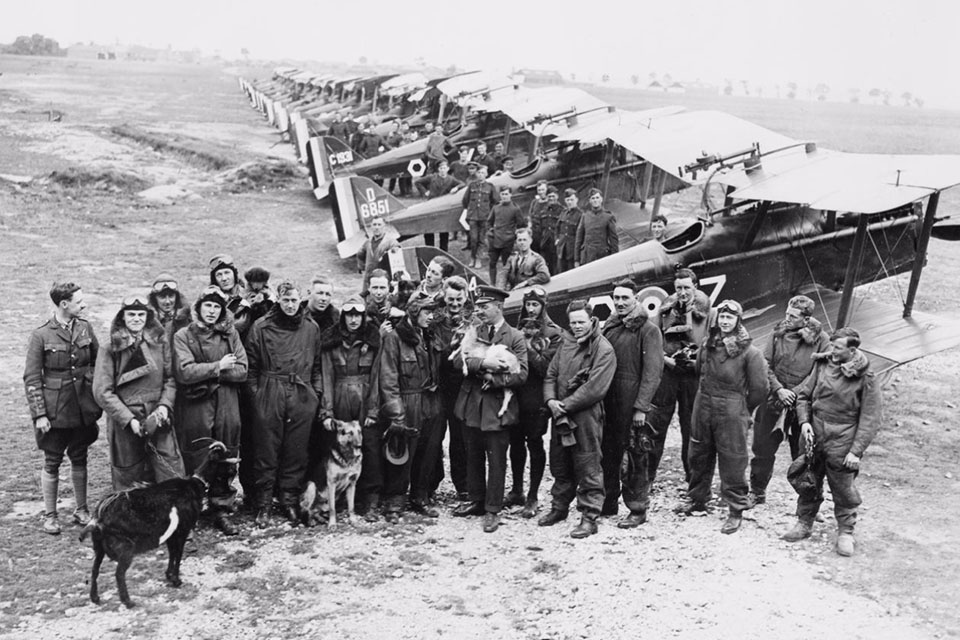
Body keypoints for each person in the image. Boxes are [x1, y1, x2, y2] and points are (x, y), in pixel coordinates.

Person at [783, 327, 882, 557]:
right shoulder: (822, 365)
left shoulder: (865, 377)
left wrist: (855, 451)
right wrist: (804, 422)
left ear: (852, 349)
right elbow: (805, 396)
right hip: (814, 434)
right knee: (808, 479)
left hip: (843, 439)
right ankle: (804, 522)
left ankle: (846, 532)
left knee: (843, 488)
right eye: (832, 346)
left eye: (838, 348)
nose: (832, 351)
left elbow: (871, 418)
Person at [679, 299, 768, 535]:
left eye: (730, 317)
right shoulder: (708, 344)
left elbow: (760, 389)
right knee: (698, 452)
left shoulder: (750, 353)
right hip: (704, 403)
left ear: (738, 321)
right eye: (722, 317)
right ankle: (697, 499)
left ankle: (736, 509)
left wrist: (741, 409)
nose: (725, 321)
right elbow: (699, 370)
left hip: (732, 408)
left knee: (733, 459)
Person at [24, 282, 102, 534]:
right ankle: (50, 515)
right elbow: (32, 378)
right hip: (55, 410)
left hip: (82, 408)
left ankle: (81, 509)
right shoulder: (41, 335)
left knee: (80, 457)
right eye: (79, 301)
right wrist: (39, 415)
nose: (84, 304)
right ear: (64, 304)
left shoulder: (85, 328)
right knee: (52, 460)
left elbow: (99, 362)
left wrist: (91, 387)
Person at [245, 280, 324, 528]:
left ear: (300, 299)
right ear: (278, 300)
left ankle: (289, 500)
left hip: (301, 392)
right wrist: (258, 397)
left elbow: (318, 366)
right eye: (285, 300)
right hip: (271, 390)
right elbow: (251, 368)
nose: (290, 305)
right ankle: (264, 504)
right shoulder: (262, 326)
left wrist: (315, 394)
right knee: (266, 450)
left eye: (294, 300)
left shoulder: (311, 328)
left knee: (296, 450)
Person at [172, 286, 248, 536]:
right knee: (197, 453)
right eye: (208, 305)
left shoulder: (230, 334)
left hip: (227, 402)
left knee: (226, 454)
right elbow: (184, 372)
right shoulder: (184, 335)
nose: (212, 311)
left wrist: (208, 374)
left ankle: (221, 508)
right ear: (198, 307)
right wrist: (218, 366)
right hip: (197, 404)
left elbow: (242, 371)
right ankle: (191, 511)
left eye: (217, 307)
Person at [452, 285, 528, 533]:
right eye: (478, 308)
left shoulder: (514, 336)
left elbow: (522, 374)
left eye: (484, 307)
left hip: (497, 408)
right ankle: (476, 500)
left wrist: (494, 379)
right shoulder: (473, 331)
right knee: (473, 454)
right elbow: (456, 360)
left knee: (496, 460)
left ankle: (493, 509)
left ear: (499, 307)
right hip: (472, 405)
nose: (480, 312)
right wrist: (484, 362)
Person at [540, 300, 617, 539]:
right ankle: (559, 508)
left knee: (588, 463)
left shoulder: (603, 349)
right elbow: (551, 375)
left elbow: (595, 389)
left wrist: (564, 406)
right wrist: (551, 401)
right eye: (573, 323)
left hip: (585, 416)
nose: (577, 327)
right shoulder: (566, 344)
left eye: (581, 322)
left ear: (591, 320)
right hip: (560, 413)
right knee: (560, 461)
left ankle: (589, 516)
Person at [93, 294, 183, 491]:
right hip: (125, 419)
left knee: (170, 471)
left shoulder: (160, 343)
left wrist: (164, 407)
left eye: (141, 314)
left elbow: (170, 379)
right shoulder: (110, 348)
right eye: (131, 314)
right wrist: (129, 420)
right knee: (128, 476)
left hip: (157, 416)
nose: (136, 319)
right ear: (122, 317)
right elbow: (102, 392)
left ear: (148, 317)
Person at [748, 296, 831, 507]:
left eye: (792, 316)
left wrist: (794, 393)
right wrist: (779, 390)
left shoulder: (822, 340)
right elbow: (764, 363)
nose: (787, 319)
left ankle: (808, 503)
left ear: (806, 319)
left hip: (803, 405)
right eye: (786, 313)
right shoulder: (778, 333)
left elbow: (819, 372)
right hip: (774, 399)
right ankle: (757, 492)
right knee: (762, 448)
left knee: (804, 454)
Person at [600, 279, 664, 525]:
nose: (620, 303)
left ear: (636, 299)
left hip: (632, 404)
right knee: (609, 452)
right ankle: (608, 502)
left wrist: (641, 408)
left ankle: (637, 509)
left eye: (625, 298)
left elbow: (653, 373)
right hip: (609, 402)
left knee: (636, 455)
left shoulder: (648, 330)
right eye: (616, 298)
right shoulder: (611, 326)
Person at [378, 296, 444, 522]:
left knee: (428, 452)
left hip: (431, 401)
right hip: (408, 401)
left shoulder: (431, 336)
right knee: (401, 453)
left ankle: (420, 497)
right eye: (427, 312)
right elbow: (388, 379)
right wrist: (397, 413)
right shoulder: (395, 338)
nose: (431, 316)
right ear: (414, 313)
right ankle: (394, 503)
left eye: (432, 312)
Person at [319, 295, 381, 517]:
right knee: (338, 445)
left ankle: (370, 500)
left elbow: (376, 377)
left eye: (358, 315)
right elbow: (326, 376)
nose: (353, 320)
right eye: (349, 315)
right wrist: (327, 412)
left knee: (370, 446)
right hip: (339, 395)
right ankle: (337, 500)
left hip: (364, 397)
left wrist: (373, 409)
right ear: (343, 316)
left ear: (363, 317)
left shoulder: (373, 340)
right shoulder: (331, 341)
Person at [647, 268, 711, 483]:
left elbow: (712, 345)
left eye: (687, 288)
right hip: (668, 373)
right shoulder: (665, 310)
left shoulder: (709, 313)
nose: (682, 293)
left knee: (691, 427)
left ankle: (692, 479)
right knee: (656, 424)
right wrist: (667, 360)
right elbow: (652, 342)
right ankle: (647, 477)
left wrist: (696, 360)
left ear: (695, 287)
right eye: (678, 288)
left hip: (693, 374)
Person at [507, 287, 561, 518]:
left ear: (543, 306)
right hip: (517, 394)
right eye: (528, 304)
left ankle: (533, 496)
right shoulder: (516, 328)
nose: (531, 309)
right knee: (515, 443)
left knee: (535, 443)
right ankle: (517, 489)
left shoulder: (554, 333)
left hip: (536, 396)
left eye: (535, 305)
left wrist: (525, 346)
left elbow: (546, 368)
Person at [432, 276, 472, 500]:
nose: (454, 304)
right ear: (443, 298)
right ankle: (431, 483)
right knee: (435, 436)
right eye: (451, 299)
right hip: (439, 385)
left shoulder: (472, 323)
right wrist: (453, 347)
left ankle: (463, 485)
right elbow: (437, 354)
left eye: (459, 299)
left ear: (465, 298)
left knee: (460, 438)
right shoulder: (437, 323)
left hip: (462, 388)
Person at [460, 163, 499, 269]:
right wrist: (470, 210)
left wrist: (489, 212)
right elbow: (465, 200)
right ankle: (472, 257)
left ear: (486, 175)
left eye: (483, 173)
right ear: (476, 174)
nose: (481, 175)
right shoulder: (472, 186)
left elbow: (495, 201)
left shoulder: (490, 187)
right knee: (473, 239)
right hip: (473, 216)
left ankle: (478, 259)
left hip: (484, 217)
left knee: (482, 239)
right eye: (479, 172)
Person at [487, 186, 527, 286]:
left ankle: (508, 284)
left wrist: (514, 235)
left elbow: (521, 224)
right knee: (492, 263)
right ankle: (492, 284)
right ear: (500, 195)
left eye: (506, 194)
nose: (504, 196)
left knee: (507, 264)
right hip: (495, 239)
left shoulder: (515, 208)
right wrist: (491, 231)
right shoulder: (496, 207)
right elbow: (489, 222)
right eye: (502, 194)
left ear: (510, 195)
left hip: (508, 241)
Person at [209, 254, 252, 338]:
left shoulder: (248, 295)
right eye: (219, 275)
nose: (224, 278)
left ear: (235, 275)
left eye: (227, 272)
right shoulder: (209, 297)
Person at [574, 188, 618, 266]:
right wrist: (577, 259)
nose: (595, 200)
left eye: (597, 198)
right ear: (590, 201)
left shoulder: (608, 216)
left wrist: (615, 259)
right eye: (593, 198)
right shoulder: (585, 216)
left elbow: (614, 240)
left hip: (602, 256)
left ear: (601, 199)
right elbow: (578, 239)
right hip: (587, 257)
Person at [357, 215, 401, 294]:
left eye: (379, 225)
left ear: (384, 226)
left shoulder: (391, 242)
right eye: (374, 225)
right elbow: (360, 254)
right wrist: (362, 267)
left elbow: (397, 255)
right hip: (369, 279)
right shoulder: (368, 242)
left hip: (383, 280)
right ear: (371, 227)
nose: (377, 227)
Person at [504, 227, 551, 292]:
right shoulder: (512, 258)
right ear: (516, 242)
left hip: (529, 292)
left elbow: (545, 275)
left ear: (530, 241)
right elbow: (504, 274)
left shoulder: (537, 258)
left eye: (525, 240)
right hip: (513, 292)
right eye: (519, 240)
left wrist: (526, 282)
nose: (522, 243)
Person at [148, 273, 190, 343]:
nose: (167, 301)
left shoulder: (187, 320)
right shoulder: (147, 320)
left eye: (171, 296)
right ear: (155, 299)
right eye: (162, 297)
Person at [302, 275, 341, 345]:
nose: (324, 299)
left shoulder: (334, 316)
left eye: (328, 294)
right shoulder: (297, 313)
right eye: (320, 293)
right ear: (309, 293)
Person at [555, 188, 583, 274]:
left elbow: (581, 234)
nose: (570, 202)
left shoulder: (580, 215)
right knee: (560, 271)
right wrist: (556, 239)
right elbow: (557, 227)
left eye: (572, 199)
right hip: (562, 249)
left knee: (572, 273)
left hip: (572, 250)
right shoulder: (563, 212)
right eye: (568, 200)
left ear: (577, 200)